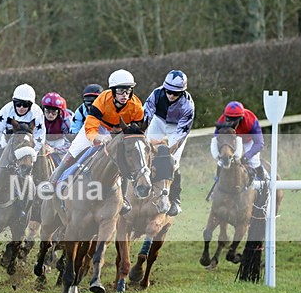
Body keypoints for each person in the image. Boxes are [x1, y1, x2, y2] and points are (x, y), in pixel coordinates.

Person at [50, 69, 144, 213]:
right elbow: (90, 127)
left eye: (128, 91)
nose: (124, 95)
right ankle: (54, 181)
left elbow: (136, 129)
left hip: (118, 131)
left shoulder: (136, 105)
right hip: (96, 128)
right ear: (112, 91)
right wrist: (100, 137)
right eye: (120, 91)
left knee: (122, 158)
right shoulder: (101, 101)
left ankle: (123, 198)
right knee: (73, 152)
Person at [0, 83, 45, 223]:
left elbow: (40, 137)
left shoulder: (37, 113)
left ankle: (22, 211)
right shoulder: (6, 110)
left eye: (25, 104)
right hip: (4, 147)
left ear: (31, 105)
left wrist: (31, 153)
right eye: (18, 104)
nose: (21, 108)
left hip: (26, 151)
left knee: (31, 181)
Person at [143, 70, 195, 216]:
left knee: (173, 161)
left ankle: (175, 200)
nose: (171, 95)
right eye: (168, 91)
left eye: (176, 93)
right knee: (145, 154)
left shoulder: (188, 106)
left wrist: (165, 147)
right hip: (158, 121)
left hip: (176, 129)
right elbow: (145, 117)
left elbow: (180, 134)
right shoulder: (156, 94)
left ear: (182, 92)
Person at [214, 101, 265, 180]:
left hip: (248, 141)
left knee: (254, 162)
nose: (231, 123)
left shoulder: (251, 120)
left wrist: (247, 156)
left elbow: (259, 143)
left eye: (234, 120)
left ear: (241, 118)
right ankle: (217, 181)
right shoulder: (222, 120)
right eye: (229, 119)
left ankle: (263, 184)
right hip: (232, 141)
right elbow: (216, 137)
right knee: (221, 162)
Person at [41, 92, 72, 164]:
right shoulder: (38, 117)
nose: (50, 115)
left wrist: (54, 150)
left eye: (54, 112)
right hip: (44, 140)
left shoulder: (66, 121)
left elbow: (71, 144)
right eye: (47, 111)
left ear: (59, 112)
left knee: (65, 161)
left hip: (60, 142)